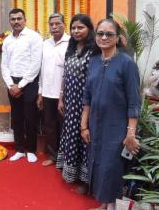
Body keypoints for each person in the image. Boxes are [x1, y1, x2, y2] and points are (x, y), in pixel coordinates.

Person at [81, 19, 141, 210]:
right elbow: (87, 97)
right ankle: (106, 204)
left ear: (118, 38)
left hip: (116, 128)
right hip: (96, 126)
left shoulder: (127, 64)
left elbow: (134, 102)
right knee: (98, 166)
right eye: (100, 33)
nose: (104, 37)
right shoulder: (94, 62)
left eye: (109, 34)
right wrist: (84, 125)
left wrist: (130, 134)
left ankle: (112, 207)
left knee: (111, 168)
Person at [56, 14, 95, 193]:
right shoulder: (71, 48)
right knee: (71, 133)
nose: (76, 31)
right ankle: (72, 172)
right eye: (74, 28)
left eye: (80, 28)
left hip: (86, 101)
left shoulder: (93, 50)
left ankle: (86, 179)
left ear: (89, 29)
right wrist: (61, 97)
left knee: (84, 135)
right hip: (70, 99)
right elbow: (65, 75)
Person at [1, 8, 43, 163]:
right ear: (10, 21)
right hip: (12, 83)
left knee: (30, 117)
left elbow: (35, 64)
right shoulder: (7, 40)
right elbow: (4, 65)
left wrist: (21, 85)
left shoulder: (34, 37)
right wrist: (11, 84)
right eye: (13, 19)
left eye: (19, 18)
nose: (16, 21)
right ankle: (19, 149)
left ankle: (31, 149)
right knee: (16, 117)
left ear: (25, 20)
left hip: (29, 82)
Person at [37, 13, 70, 167]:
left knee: (64, 125)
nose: (54, 27)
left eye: (58, 24)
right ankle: (53, 155)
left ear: (64, 24)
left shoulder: (71, 43)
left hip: (65, 94)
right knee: (49, 126)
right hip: (47, 93)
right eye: (52, 24)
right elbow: (41, 71)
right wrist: (40, 93)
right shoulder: (45, 44)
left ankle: (65, 158)